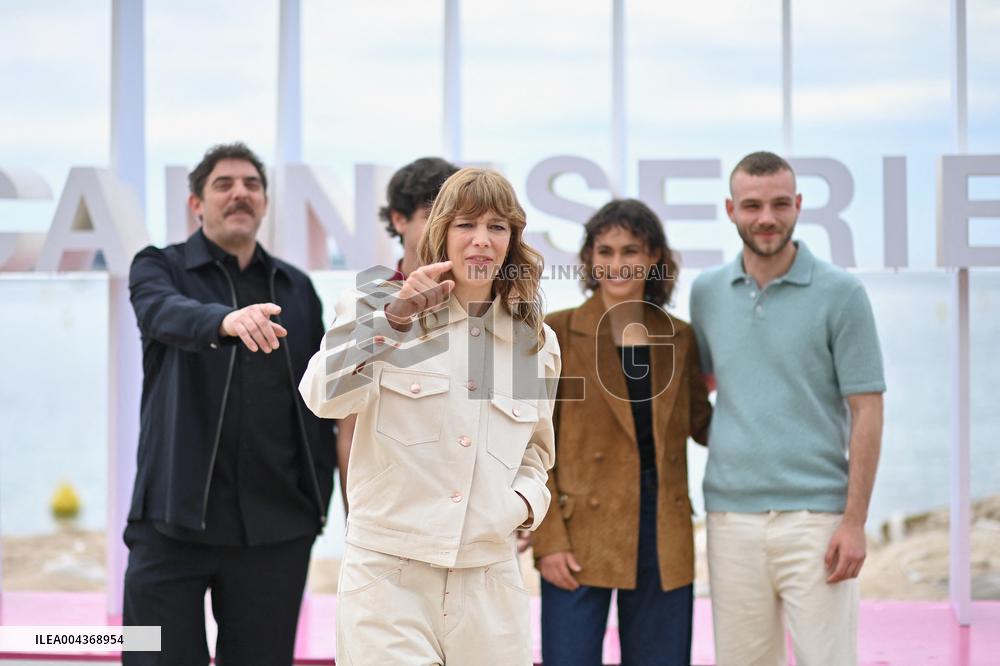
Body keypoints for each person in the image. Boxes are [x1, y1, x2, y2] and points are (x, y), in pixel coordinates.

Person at [300, 167, 561, 664]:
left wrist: (521, 506)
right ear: (442, 233)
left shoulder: (535, 341)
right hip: (387, 578)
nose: (481, 240)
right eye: (466, 225)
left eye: (496, 227)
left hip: (490, 580)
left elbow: (537, 452)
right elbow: (322, 396)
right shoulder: (375, 305)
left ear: (513, 241)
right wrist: (395, 318)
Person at [123, 142, 336, 665]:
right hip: (172, 520)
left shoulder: (296, 287)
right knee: (150, 656)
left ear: (264, 203)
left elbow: (325, 392)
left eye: (251, 185)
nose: (239, 193)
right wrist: (223, 321)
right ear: (196, 203)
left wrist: (317, 502)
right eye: (224, 184)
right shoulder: (159, 268)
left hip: (278, 528)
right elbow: (162, 313)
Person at [690, 151, 885, 666]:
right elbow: (710, 384)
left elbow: (867, 410)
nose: (767, 218)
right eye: (752, 205)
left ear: (798, 205)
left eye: (780, 203)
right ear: (730, 209)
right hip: (730, 518)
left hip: (816, 519)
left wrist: (855, 521)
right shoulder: (706, 292)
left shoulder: (842, 294)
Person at [530, 199, 712, 666]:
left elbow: (701, 423)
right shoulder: (554, 332)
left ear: (654, 258)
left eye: (631, 251)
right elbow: (531, 441)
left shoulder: (682, 336)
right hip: (579, 528)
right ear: (590, 258)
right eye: (605, 251)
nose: (617, 264)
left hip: (662, 527)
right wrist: (548, 539)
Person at [336, 157, 459, 514]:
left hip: (472, 515)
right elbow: (349, 427)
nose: (443, 227)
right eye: (430, 215)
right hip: (393, 515)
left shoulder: (486, 303)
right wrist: (355, 518)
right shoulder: (366, 303)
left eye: (452, 218)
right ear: (398, 219)